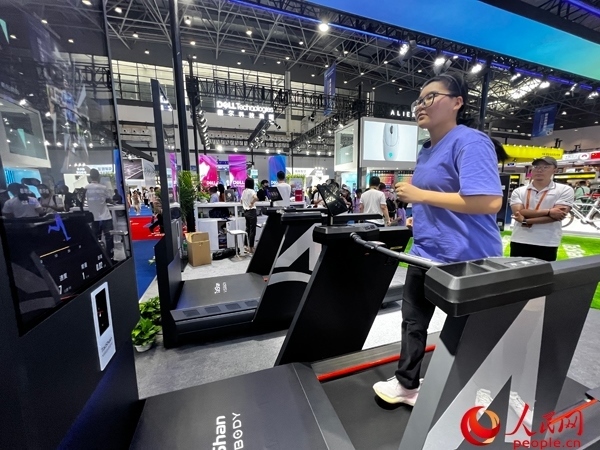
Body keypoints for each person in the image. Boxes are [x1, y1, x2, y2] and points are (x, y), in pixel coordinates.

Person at [373, 73, 503, 406]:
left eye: (430, 97)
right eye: (419, 99)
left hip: (468, 257)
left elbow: (489, 201)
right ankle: (407, 384)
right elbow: (442, 196)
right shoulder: (426, 150)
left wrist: (420, 195)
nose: (421, 105)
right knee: (412, 322)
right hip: (425, 252)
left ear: (457, 102)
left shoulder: (471, 142)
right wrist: (421, 214)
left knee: (466, 332)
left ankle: (474, 392)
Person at [509, 157, 573, 262]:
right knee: (516, 271)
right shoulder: (519, 191)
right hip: (520, 239)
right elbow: (519, 212)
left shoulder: (564, 190)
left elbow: (557, 216)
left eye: (545, 167)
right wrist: (549, 211)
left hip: (547, 241)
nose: (540, 170)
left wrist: (525, 220)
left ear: (555, 170)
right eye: (536, 167)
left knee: (543, 272)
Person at [85, 169, 115, 261]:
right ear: (99, 177)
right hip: (105, 216)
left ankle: (97, 257)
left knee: (95, 238)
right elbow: (109, 199)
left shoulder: (86, 188)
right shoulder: (103, 187)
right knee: (108, 237)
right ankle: (110, 257)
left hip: (93, 217)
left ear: (90, 177)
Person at [241, 178, 258, 254]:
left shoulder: (244, 191)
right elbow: (256, 198)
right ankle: (251, 248)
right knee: (252, 230)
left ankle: (245, 246)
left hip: (246, 212)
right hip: (252, 211)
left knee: (247, 229)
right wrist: (251, 203)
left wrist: (246, 204)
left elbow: (241, 201)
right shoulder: (252, 191)